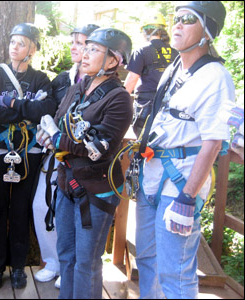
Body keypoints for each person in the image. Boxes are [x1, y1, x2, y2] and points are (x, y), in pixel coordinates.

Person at [135, 1, 235, 298]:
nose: (176, 24)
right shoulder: (175, 68)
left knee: (175, 273)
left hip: (179, 184)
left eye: (188, 19)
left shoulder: (216, 77)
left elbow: (213, 141)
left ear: (208, 31)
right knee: (147, 260)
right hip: (151, 175)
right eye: (175, 18)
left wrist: (187, 198)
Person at [38, 28, 133, 299]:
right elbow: (58, 120)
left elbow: (97, 149)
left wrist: (57, 139)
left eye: (94, 50)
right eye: (86, 48)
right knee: (66, 255)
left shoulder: (119, 98)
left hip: (95, 189)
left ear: (113, 60)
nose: (85, 54)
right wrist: (47, 134)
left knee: (86, 262)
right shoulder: (77, 88)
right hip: (68, 183)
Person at [0, 23, 58, 290]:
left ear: (32, 49)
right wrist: (27, 110)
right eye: (12, 41)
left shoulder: (40, 79)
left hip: (29, 151)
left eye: (21, 43)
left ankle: (18, 266)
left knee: (22, 207)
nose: (15, 46)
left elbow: (46, 109)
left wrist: (13, 105)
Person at [32, 23, 99, 288]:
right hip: (54, 156)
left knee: (75, 213)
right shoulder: (62, 80)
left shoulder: (103, 83)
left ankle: (70, 268)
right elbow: (49, 111)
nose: (75, 47)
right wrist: (44, 132)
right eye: (74, 42)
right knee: (41, 205)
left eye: (82, 43)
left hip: (83, 161)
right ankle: (53, 261)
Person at [124, 13, 178, 137]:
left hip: (146, 104)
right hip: (168, 103)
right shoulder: (175, 52)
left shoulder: (141, 51)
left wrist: (119, 99)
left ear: (145, 31)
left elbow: (132, 79)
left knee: (144, 140)